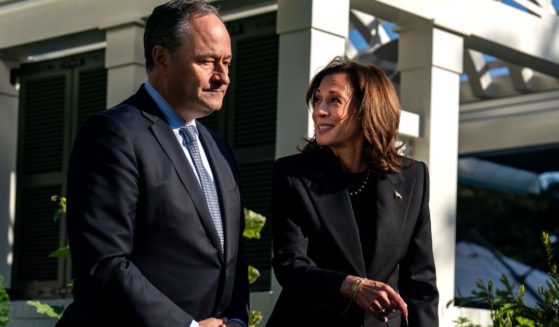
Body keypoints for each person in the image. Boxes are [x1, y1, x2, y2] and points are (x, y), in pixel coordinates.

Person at [56, 1, 248, 326]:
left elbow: (233, 257)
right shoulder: (112, 135)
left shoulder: (219, 148)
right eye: (207, 62)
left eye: (227, 62)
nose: (223, 77)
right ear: (162, 58)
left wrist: (235, 320)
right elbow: (104, 262)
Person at [267, 57, 439, 327]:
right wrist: (351, 285)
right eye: (317, 99)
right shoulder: (293, 175)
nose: (319, 111)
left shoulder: (413, 177)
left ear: (366, 109)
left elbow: (421, 285)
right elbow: (290, 265)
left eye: (334, 100)